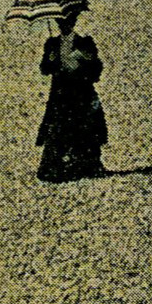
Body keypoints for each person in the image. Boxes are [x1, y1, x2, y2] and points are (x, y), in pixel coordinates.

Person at [35, 11, 108, 183]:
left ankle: (86, 166)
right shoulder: (52, 43)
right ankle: (55, 168)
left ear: (73, 22)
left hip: (81, 92)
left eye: (67, 22)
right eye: (60, 23)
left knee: (84, 128)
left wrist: (88, 60)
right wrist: (51, 60)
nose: (64, 26)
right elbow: (44, 69)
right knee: (58, 129)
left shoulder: (85, 43)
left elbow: (96, 71)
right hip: (60, 93)